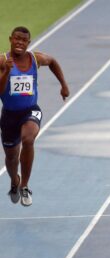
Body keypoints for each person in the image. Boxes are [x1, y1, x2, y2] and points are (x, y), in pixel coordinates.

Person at [0, 26, 70, 206]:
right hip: (9, 115)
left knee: (28, 138)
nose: (19, 43)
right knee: (11, 158)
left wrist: (63, 85)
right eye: (16, 39)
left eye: (23, 40)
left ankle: (24, 185)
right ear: (10, 39)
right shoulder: (2, 61)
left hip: (30, 109)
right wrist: (6, 72)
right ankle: (15, 181)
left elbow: (53, 61)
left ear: (28, 43)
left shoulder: (35, 58)